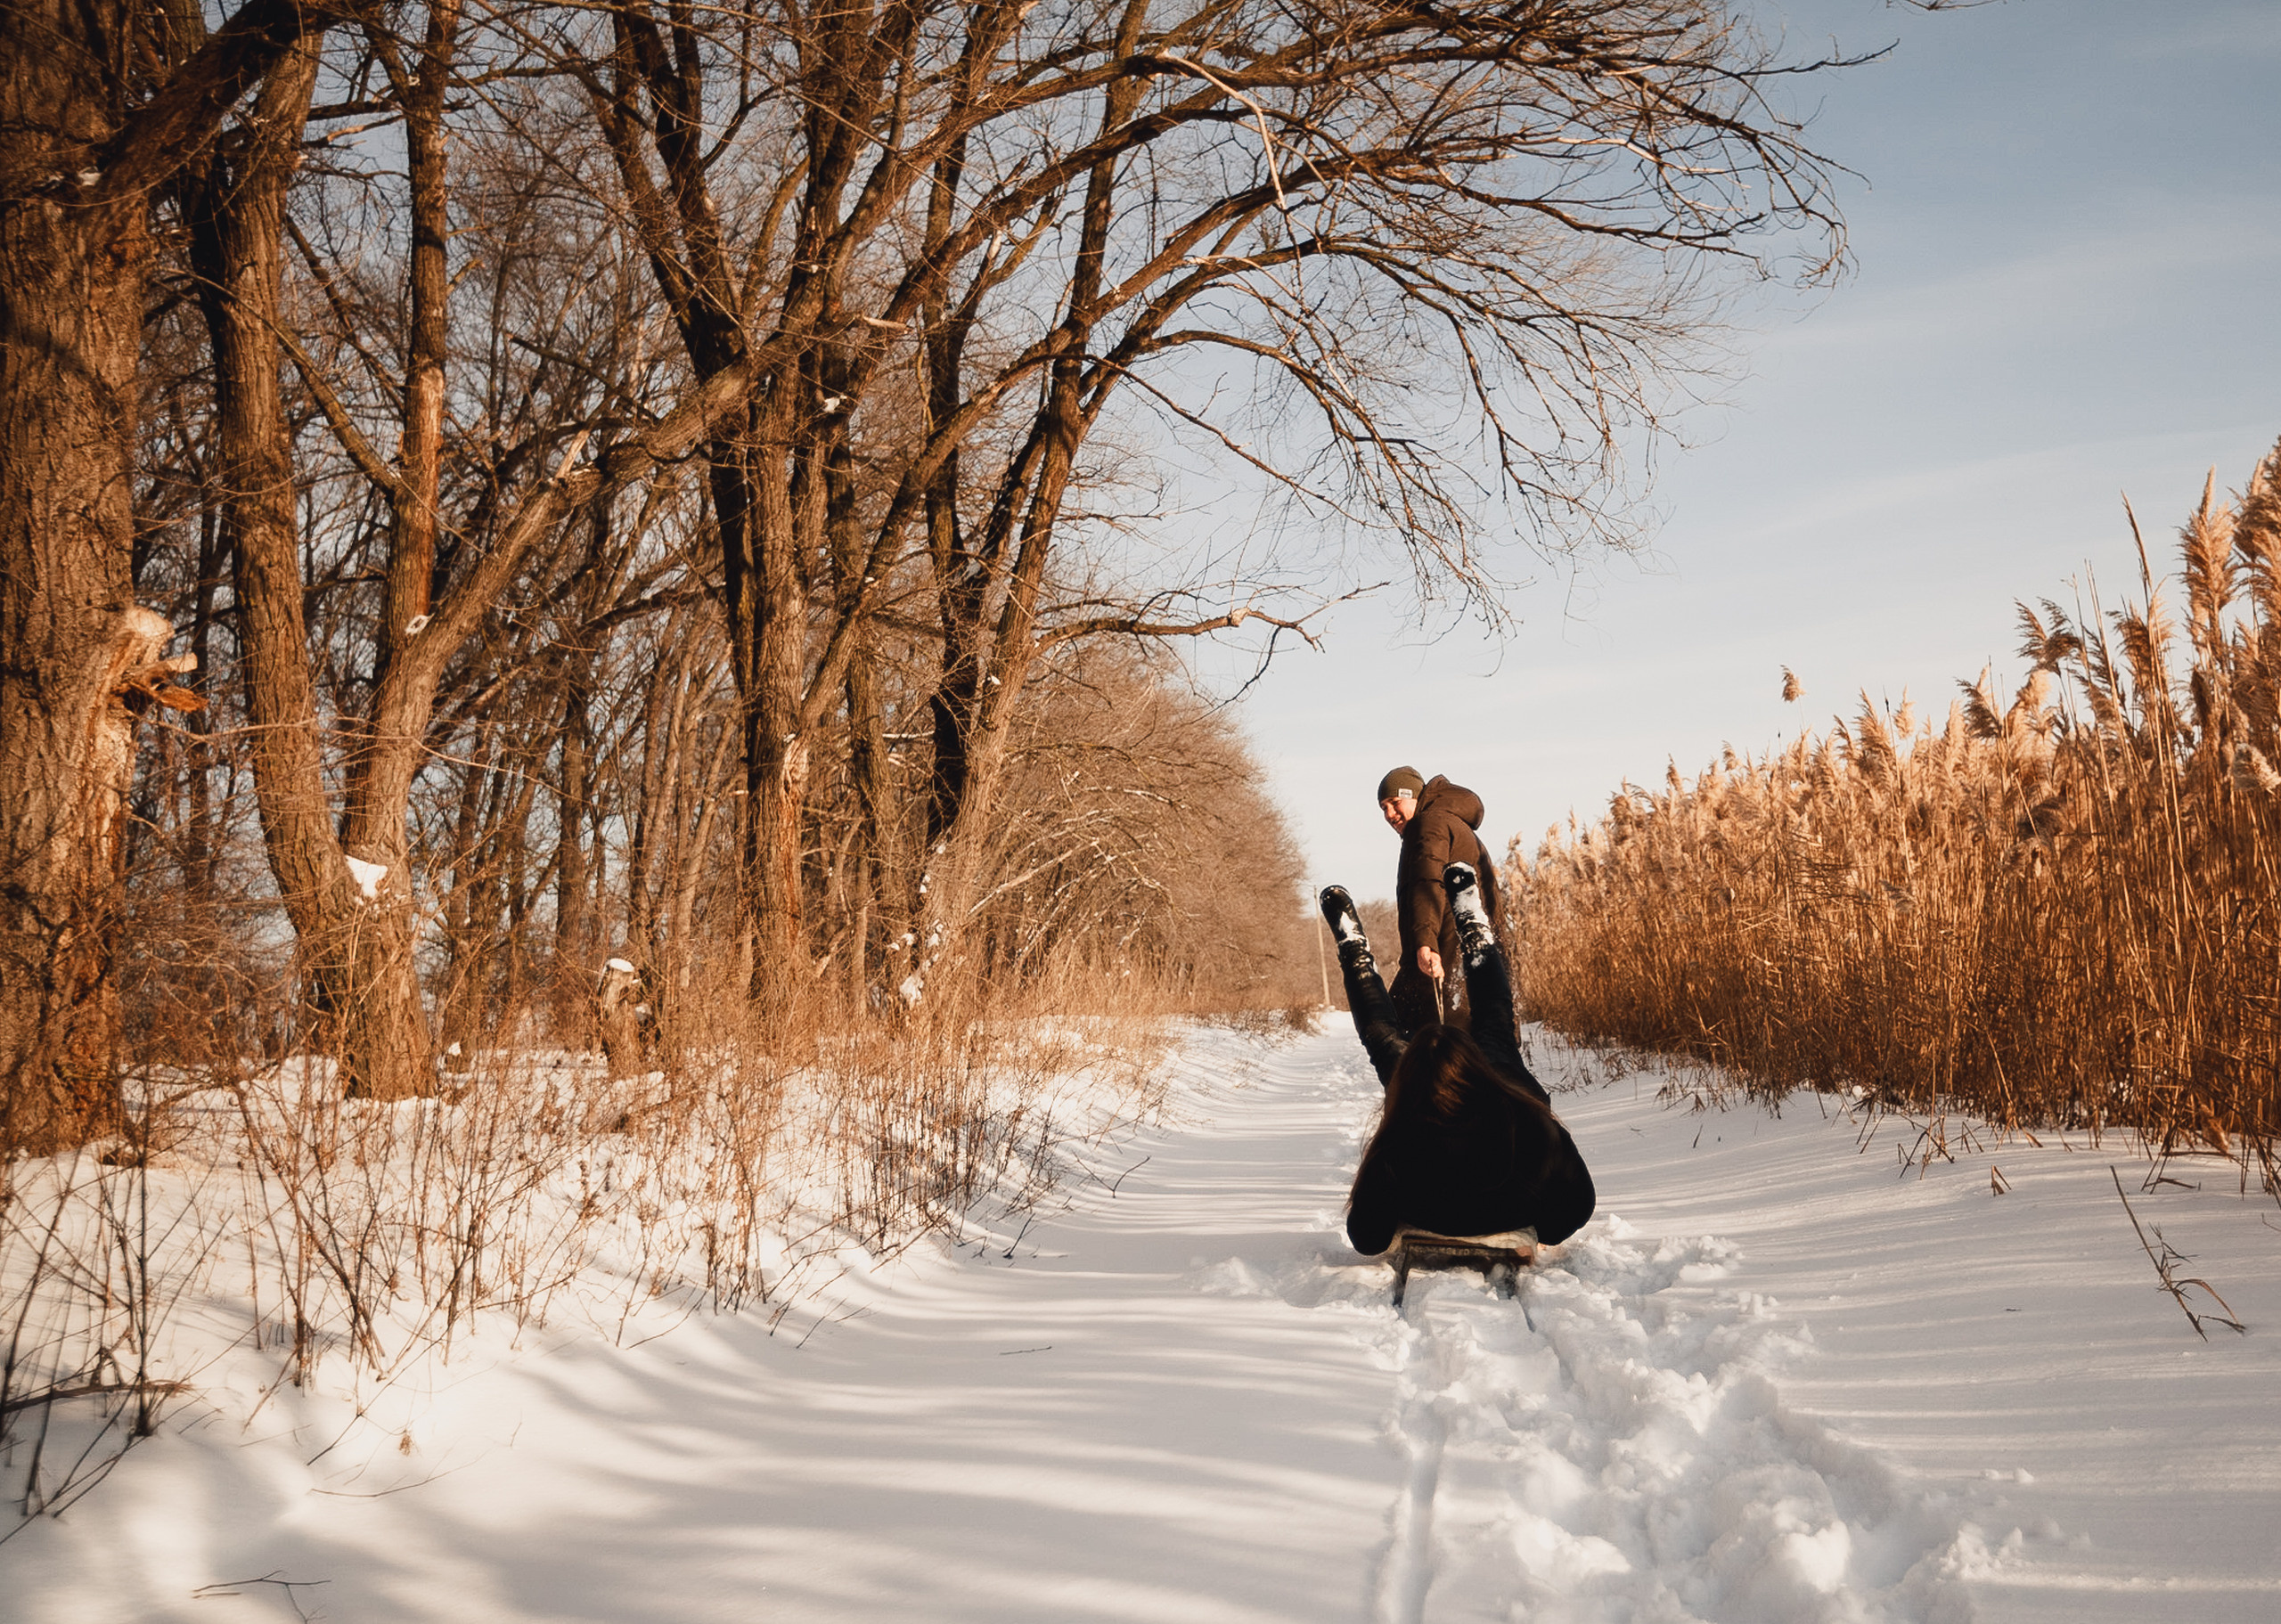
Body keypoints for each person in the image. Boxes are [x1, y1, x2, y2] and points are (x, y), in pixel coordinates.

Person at [1320, 862, 1594, 1257]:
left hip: (1428, 1186)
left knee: (1384, 1042)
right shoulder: (1533, 1124)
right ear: (1476, 1068)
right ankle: (1473, 926)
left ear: (1412, 1084)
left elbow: (1367, 1238)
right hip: (1510, 1138)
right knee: (1494, 1023)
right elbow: (1576, 1207)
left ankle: (1355, 953)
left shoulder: (1400, 1139)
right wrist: (1534, 1226)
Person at [1376, 766, 1500, 1034]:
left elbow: (1428, 881)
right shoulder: (1446, 822)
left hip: (1446, 956)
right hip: (1469, 960)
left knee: (1394, 1034)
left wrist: (1424, 943)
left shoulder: (1429, 824)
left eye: (1395, 803)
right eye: (1383, 808)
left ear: (1415, 796)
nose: (1389, 814)